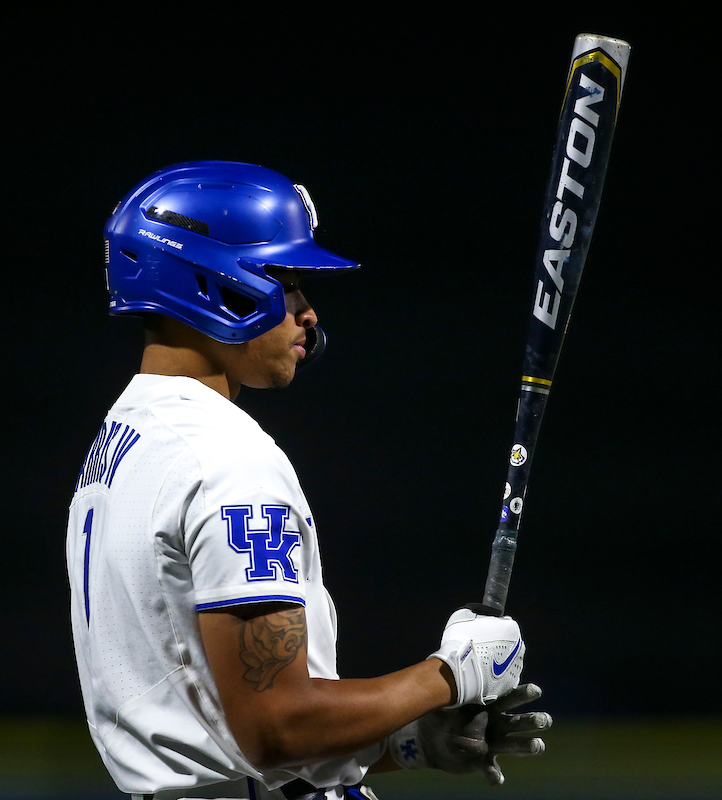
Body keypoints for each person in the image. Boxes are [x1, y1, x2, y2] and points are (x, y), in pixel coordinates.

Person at [65, 161, 551, 800]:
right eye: (286, 280)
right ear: (213, 281)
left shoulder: (121, 440)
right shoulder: (225, 459)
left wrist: (403, 743)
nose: (309, 313)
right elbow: (277, 728)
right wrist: (449, 675)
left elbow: (213, 728)